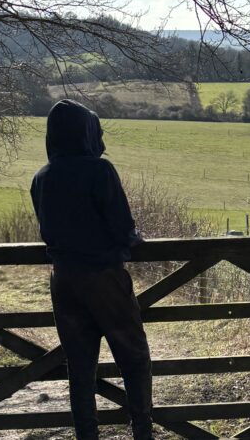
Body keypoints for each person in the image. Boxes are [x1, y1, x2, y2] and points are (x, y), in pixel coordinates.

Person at [31, 99, 153, 440]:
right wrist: (133, 237)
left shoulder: (42, 177)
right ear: (85, 134)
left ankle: (87, 435)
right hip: (103, 277)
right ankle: (142, 430)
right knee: (133, 355)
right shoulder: (99, 171)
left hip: (63, 279)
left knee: (81, 367)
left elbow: (46, 229)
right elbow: (121, 227)